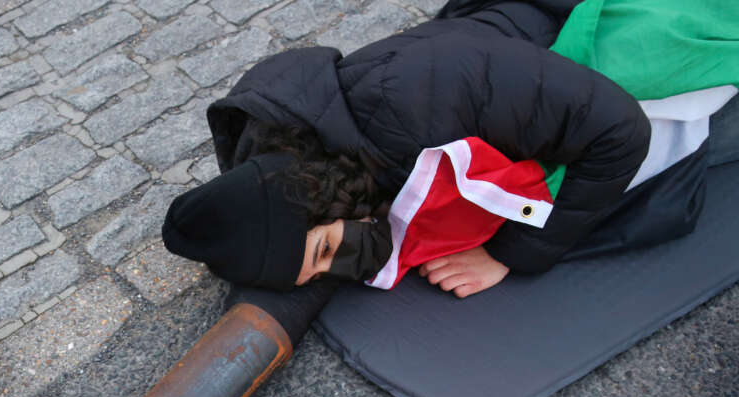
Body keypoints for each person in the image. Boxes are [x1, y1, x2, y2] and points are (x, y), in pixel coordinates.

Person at [163, 0, 737, 299]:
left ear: (318, 201)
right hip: (531, 58)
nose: (332, 271)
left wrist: (513, 254)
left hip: (616, 40)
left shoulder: (415, 103)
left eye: (321, 254)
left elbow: (620, 134)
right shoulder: (316, 149)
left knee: (665, 185)